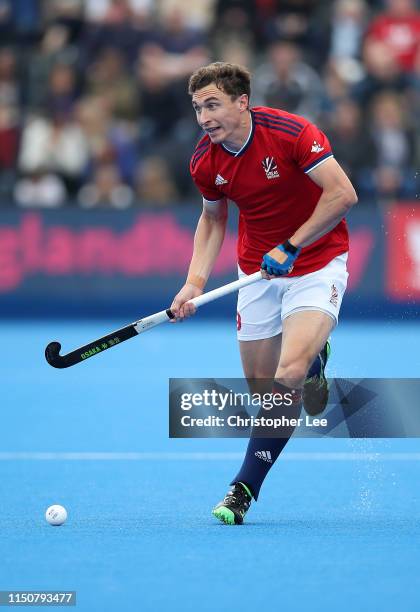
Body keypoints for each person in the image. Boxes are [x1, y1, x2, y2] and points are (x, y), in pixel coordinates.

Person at [170, 62, 357, 525]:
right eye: (197, 108)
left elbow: (342, 194)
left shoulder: (292, 133)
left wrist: (293, 244)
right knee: (267, 395)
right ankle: (315, 364)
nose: (204, 117)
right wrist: (193, 284)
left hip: (316, 263)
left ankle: (243, 488)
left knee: (286, 375)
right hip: (256, 274)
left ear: (241, 102)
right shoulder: (204, 161)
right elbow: (213, 219)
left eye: (212, 105)